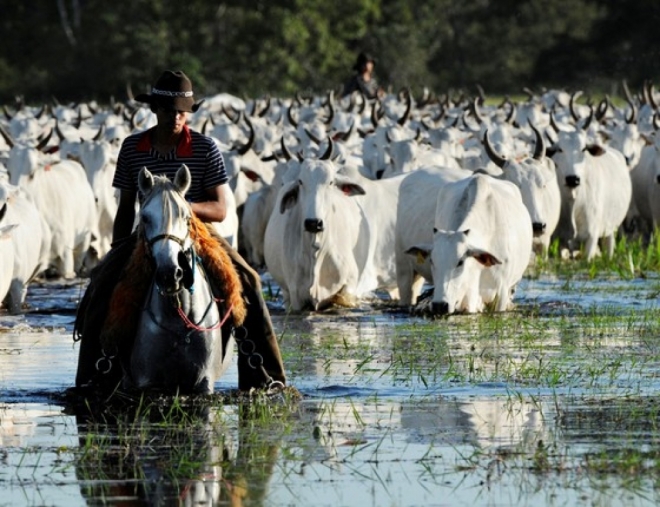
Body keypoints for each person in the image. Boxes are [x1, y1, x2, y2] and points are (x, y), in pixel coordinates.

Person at [73, 70, 286, 394]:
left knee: (250, 282)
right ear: (156, 110)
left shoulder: (205, 148)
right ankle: (93, 377)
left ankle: (266, 376)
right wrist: (118, 250)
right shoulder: (132, 148)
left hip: (198, 235)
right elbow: (125, 205)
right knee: (100, 286)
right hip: (146, 235)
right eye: (170, 110)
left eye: (182, 111)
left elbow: (220, 208)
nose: (176, 117)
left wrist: (182, 206)